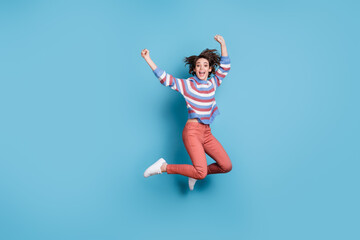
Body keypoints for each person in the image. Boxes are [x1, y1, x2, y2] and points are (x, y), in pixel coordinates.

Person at [141, 35, 232, 190]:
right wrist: (147, 58)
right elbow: (165, 79)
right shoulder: (187, 85)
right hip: (192, 132)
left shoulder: (213, 83)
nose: (202, 68)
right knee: (201, 172)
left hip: (207, 133)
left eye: (205, 65)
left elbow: (225, 67)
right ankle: (163, 167)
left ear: (210, 68)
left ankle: (194, 173)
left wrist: (223, 43)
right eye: (198, 65)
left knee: (226, 165)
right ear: (194, 69)